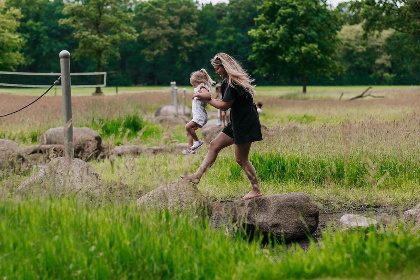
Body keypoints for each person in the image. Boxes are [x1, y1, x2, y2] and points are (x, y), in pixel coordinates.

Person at [181, 53, 263, 200]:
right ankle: (197, 177)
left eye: (218, 68)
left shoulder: (232, 84)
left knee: (241, 159)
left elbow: (224, 106)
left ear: (224, 67)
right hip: (237, 120)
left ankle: (256, 189)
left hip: (245, 121)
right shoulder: (226, 82)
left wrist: (206, 98)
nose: (216, 71)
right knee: (214, 145)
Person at [182, 69, 214, 155]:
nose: (194, 87)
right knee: (189, 131)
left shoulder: (202, 87)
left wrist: (197, 94)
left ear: (200, 81)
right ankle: (190, 149)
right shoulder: (199, 87)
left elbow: (208, 96)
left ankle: (198, 141)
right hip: (198, 116)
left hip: (200, 116)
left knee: (187, 126)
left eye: (194, 84)